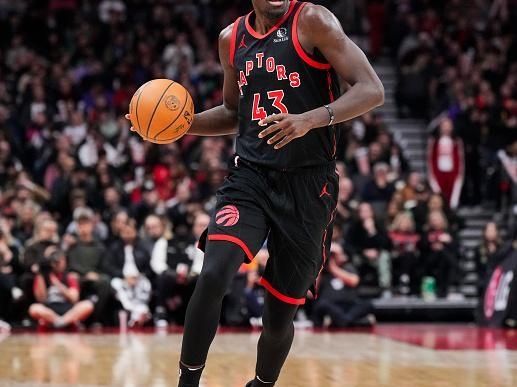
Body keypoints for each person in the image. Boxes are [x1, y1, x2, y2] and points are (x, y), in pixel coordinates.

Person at [128, 1, 383, 385]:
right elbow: (236, 114)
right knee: (213, 273)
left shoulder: (313, 21)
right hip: (251, 176)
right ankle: (187, 382)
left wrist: (311, 119)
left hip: (309, 184)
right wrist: (177, 126)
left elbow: (372, 89)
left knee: (278, 315)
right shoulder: (231, 39)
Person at [28, 248, 94, 328]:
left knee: (87, 305)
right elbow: (41, 299)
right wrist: (40, 274)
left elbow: (74, 298)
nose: (59, 263)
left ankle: (61, 322)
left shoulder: (70, 277)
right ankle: (62, 322)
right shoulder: (42, 277)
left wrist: (57, 283)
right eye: (56, 261)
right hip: (50, 309)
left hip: (68, 309)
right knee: (34, 308)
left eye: (62, 260)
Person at [312, 243, 374, 328]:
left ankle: (344, 320)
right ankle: (349, 321)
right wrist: (321, 267)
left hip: (349, 304)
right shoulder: (323, 271)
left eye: (335, 254)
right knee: (321, 304)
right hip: (331, 305)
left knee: (367, 304)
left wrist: (333, 269)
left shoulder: (348, 267)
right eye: (331, 254)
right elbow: (312, 291)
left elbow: (354, 281)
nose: (332, 256)